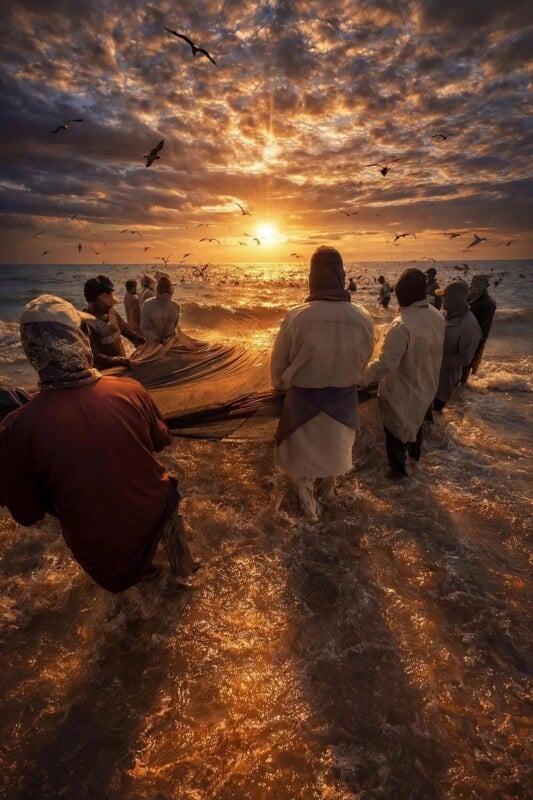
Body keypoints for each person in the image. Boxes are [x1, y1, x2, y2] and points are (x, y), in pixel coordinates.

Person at [0, 295, 198, 593]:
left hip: (105, 556)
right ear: (79, 342)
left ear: (32, 351)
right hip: (157, 512)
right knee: (185, 581)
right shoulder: (129, 389)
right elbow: (160, 441)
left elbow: (27, 514)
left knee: (137, 601)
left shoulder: (17, 427)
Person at [271, 246, 374, 520]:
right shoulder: (363, 318)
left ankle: (309, 516)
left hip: (302, 412)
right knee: (332, 467)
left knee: (302, 471)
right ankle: (328, 500)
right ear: (342, 276)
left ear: (310, 278)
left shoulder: (296, 316)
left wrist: (283, 388)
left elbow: (277, 373)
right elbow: (364, 365)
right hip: (343, 412)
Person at [360, 268, 445, 479]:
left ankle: (402, 483)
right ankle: (416, 468)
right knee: (415, 430)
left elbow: (384, 366)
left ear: (399, 294)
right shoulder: (436, 315)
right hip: (427, 386)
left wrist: (359, 377)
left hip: (403, 394)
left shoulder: (401, 326)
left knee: (396, 438)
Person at [433, 279, 482, 411]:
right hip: (432, 373)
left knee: (436, 408)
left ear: (455, 299)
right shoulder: (445, 314)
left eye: (445, 296)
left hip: (446, 378)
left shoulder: (469, 326)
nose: (442, 299)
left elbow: (465, 358)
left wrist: (438, 360)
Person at [83, 274, 145, 370]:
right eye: (106, 295)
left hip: (123, 369)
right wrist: (119, 360)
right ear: (92, 300)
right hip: (106, 376)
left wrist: (148, 342)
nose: (112, 300)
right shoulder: (86, 323)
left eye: (111, 295)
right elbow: (94, 356)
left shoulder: (112, 313)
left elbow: (130, 334)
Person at [461, 274, 496, 383]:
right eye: (472, 283)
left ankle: (464, 387)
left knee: (469, 361)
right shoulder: (471, 298)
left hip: (477, 337)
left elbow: (483, 325)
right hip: (469, 335)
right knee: (466, 361)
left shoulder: (487, 303)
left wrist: (476, 338)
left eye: (475, 283)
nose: (472, 286)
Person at [141, 275, 180, 344]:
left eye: (166, 286)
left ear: (171, 288)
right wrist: (157, 340)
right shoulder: (148, 304)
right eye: (161, 286)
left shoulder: (175, 306)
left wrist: (168, 340)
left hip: (170, 345)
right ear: (157, 288)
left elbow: (175, 327)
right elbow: (145, 328)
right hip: (153, 345)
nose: (164, 289)